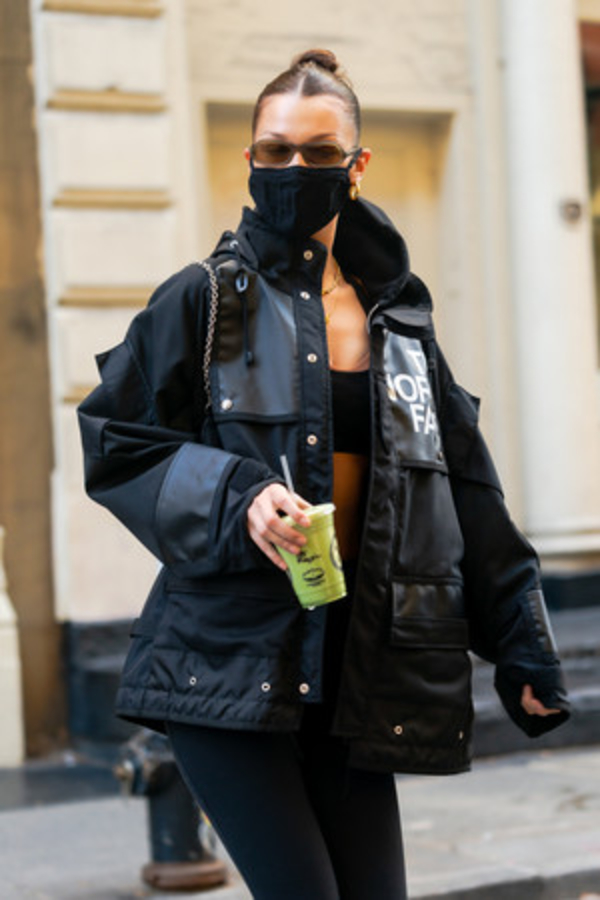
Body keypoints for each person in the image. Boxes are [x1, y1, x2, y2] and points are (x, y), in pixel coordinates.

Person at [78, 49, 570, 900]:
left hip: (357, 669)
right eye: (275, 151)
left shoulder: (400, 324)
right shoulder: (202, 299)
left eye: (318, 152)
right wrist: (235, 496)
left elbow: (465, 489)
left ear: (356, 164)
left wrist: (523, 643)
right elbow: (116, 439)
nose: (294, 169)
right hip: (227, 661)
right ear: (250, 157)